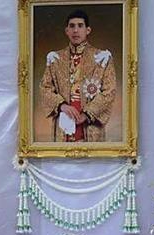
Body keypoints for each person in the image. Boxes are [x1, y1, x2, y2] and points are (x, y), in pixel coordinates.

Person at [38, 9, 118, 142]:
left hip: (90, 125)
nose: (76, 30)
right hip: (63, 122)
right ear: (67, 31)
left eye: (80, 25)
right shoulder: (55, 58)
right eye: (72, 26)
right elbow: (45, 87)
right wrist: (61, 105)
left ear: (88, 30)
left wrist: (86, 114)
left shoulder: (103, 57)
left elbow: (109, 91)